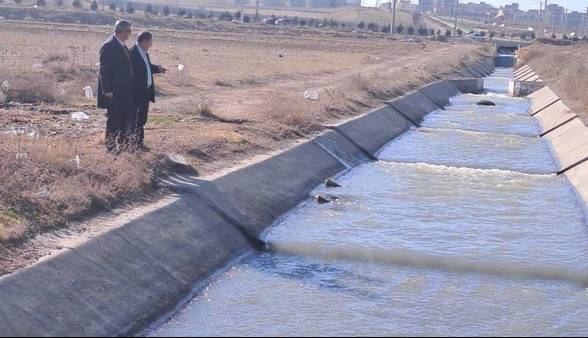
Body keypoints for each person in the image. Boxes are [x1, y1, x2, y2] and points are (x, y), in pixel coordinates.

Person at [97, 20, 135, 153]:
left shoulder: (122, 45)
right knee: (114, 121)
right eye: (128, 31)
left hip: (124, 91)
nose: (130, 34)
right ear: (122, 31)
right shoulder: (109, 46)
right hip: (114, 92)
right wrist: (107, 90)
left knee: (124, 120)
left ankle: (123, 146)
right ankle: (111, 148)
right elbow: (104, 70)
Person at [129, 31, 167, 151]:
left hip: (145, 92)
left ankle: (138, 143)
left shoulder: (144, 53)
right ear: (144, 41)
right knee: (135, 119)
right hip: (136, 93)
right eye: (150, 42)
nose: (151, 45)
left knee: (141, 119)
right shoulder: (132, 53)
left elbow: (147, 67)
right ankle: (135, 144)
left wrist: (158, 69)